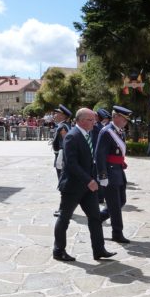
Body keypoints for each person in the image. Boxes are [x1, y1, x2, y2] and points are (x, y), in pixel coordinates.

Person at [53, 108, 116, 261]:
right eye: (90, 120)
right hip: (73, 187)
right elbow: (72, 164)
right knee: (64, 218)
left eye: (94, 119)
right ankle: (58, 250)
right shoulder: (72, 137)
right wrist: (89, 180)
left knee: (95, 217)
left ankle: (99, 249)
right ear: (80, 120)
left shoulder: (90, 134)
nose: (94, 122)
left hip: (89, 187)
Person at [95, 106, 132, 244]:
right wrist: (103, 175)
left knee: (121, 201)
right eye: (124, 119)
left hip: (118, 171)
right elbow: (100, 155)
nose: (125, 122)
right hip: (110, 172)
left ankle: (96, 219)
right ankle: (117, 232)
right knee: (115, 205)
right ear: (115, 116)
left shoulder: (119, 131)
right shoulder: (106, 132)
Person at [52, 104, 72, 217]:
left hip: (62, 157)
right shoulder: (63, 125)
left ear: (63, 115)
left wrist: (61, 160)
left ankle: (64, 209)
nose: (54, 115)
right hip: (61, 156)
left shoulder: (63, 127)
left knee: (63, 183)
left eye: (57, 113)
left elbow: (64, 145)